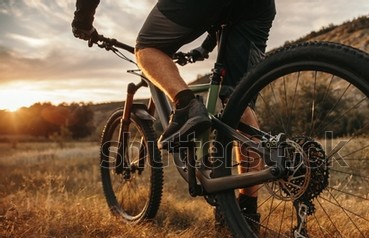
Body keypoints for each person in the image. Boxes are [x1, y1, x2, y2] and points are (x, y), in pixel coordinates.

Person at [71, 0, 276, 225]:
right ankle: (246, 216)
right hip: (257, 7)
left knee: (147, 48)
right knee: (238, 103)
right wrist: (204, 48)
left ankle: (187, 105)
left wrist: (83, 22)